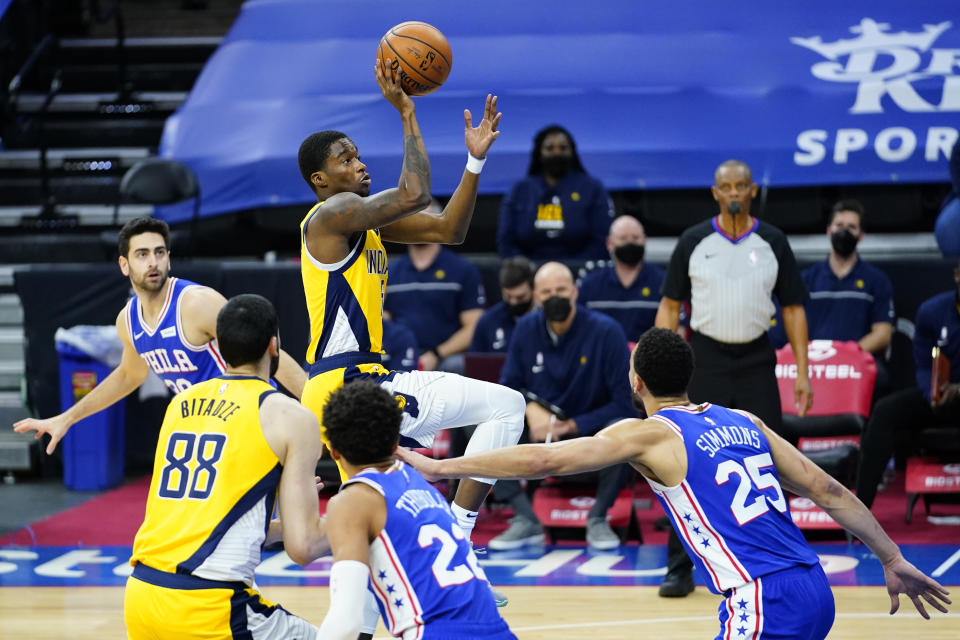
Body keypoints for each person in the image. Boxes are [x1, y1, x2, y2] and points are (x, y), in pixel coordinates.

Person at [399, 328, 951, 639]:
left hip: (761, 598)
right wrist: (891, 556)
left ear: (635, 380)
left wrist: (444, 468)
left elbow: (546, 462)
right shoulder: (745, 421)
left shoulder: (649, 436)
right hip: (813, 588)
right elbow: (830, 492)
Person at [295, 61, 524, 608]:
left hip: (360, 382)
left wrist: (474, 160)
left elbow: (452, 229)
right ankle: (460, 546)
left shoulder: (362, 221)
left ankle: (388, 597)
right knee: (507, 407)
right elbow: (416, 191)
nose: (358, 163)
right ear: (321, 181)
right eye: (344, 159)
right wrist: (407, 110)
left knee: (390, 503)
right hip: (348, 383)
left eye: (357, 154)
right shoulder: (331, 215)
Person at [124, 294, 327, 639]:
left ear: (220, 346)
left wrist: (280, 524)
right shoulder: (291, 415)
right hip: (209, 607)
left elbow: (206, 518)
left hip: (141, 597)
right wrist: (355, 522)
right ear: (273, 346)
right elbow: (304, 547)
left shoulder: (180, 404)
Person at [13, 216, 306, 454]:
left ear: (168, 259)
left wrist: (318, 409)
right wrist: (68, 418)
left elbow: (268, 352)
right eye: (142, 254)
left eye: (159, 252)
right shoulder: (127, 320)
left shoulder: (197, 303)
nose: (153, 262)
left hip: (251, 424)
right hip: (205, 433)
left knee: (268, 524)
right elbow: (129, 375)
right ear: (124, 265)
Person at [655, 159, 813, 597]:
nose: (734, 192)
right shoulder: (693, 241)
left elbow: (794, 309)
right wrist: (656, 370)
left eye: (741, 185)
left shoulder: (773, 241)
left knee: (770, 458)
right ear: (715, 193)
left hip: (756, 358)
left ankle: (777, 561)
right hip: (702, 357)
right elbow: (670, 307)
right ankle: (678, 567)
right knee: (682, 458)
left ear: (753, 189)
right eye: (726, 186)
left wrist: (802, 373)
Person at [317, 380, 516, 640]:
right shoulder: (421, 487)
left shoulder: (354, 500)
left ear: (333, 453)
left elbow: (345, 623)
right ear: (396, 444)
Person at [489, 262, 635, 551]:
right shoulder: (525, 329)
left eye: (561, 290)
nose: (554, 297)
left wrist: (572, 425)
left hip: (589, 434)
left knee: (626, 429)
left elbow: (626, 405)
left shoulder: (606, 332)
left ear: (575, 292)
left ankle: (598, 517)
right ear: (535, 296)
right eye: (546, 292)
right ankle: (525, 517)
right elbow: (507, 389)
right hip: (538, 433)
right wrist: (529, 407)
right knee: (482, 422)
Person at [856, 258, 960, 509]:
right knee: (885, 411)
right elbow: (924, 366)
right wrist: (931, 395)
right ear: (957, 275)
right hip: (941, 399)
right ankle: (858, 513)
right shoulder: (932, 312)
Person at [384, 199, 486, 373]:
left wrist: (437, 354)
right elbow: (381, 322)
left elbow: (474, 326)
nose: (417, 224)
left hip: (445, 358)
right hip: (399, 355)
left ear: (438, 223)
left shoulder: (462, 270)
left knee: (457, 365)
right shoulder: (389, 272)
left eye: (424, 218)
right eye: (411, 219)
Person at [497, 124, 613, 261]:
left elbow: (602, 241)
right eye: (549, 148)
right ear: (539, 153)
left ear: (572, 152)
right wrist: (526, 270)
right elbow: (505, 242)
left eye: (563, 148)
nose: (556, 153)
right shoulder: (519, 190)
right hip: (528, 274)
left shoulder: (593, 188)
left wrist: (572, 270)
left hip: (581, 273)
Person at [803, 199, 895, 354]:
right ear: (828, 231)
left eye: (851, 227)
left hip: (858, 363)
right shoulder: (807, 279)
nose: (844, 231)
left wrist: (848, 355)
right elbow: (792, 325)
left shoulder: (877, 280)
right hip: (814, 363)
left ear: (861, 236)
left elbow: (883, 333)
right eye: (839, 225)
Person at [579, 215, 665, 342]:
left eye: (635, 238)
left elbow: (676, 329)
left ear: (644, 240)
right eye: (623, 238)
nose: (630, 243)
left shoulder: (662, 282)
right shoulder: (590, 285)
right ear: (609, 243)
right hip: (602, 358)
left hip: (649, 358)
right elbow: (578, 329)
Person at [469, 256, 536, 353]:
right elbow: (475, 361)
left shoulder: (546, 320)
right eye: (508, 296)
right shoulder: (488, 320)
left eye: (520, 297)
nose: (513, 302)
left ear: (533, 289)